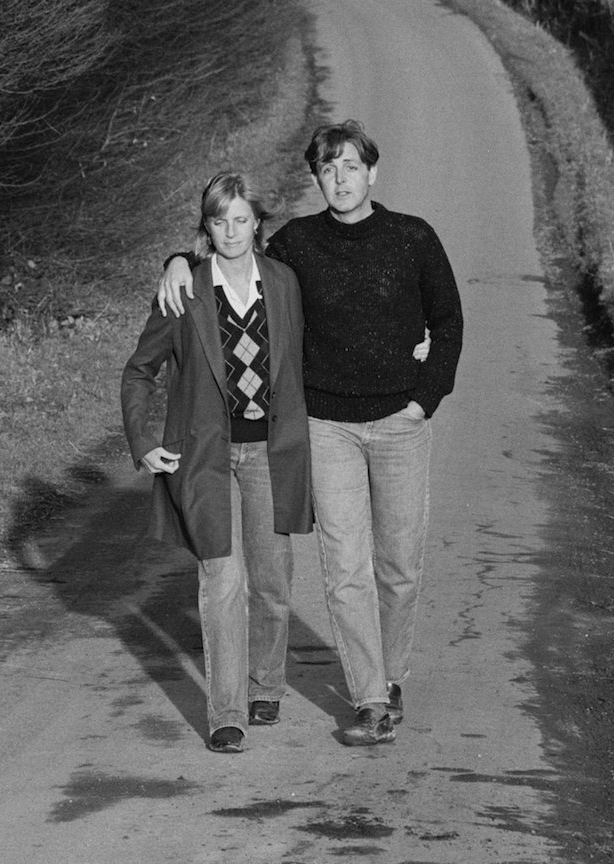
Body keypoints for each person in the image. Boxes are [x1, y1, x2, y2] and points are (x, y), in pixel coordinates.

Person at [158, 120, 463, 746]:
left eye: (351, 166)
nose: (340, 179)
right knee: (345, 568)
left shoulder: (413, 238)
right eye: (328, 170)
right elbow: (234, 263)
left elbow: (449, 322)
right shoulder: (297, 242)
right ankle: (371, 698)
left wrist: (422, 400)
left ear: (371, 173)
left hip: (400, 425)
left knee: (398, 567)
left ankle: (391, 671)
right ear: (317, 179)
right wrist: (176, 262)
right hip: (326, 427)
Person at [122, 172, 313, 754]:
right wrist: (141, 441)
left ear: (258, 222)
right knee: (222, 580)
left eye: (240, 219)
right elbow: (139, 370)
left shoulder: (284, 283)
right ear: (205, 228)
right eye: (218, 220)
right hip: (205, 456)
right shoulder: (185, 291)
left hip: (271, 453)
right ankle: (227, 711)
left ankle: (266, 684)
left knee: (272, 581)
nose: (231, 232)